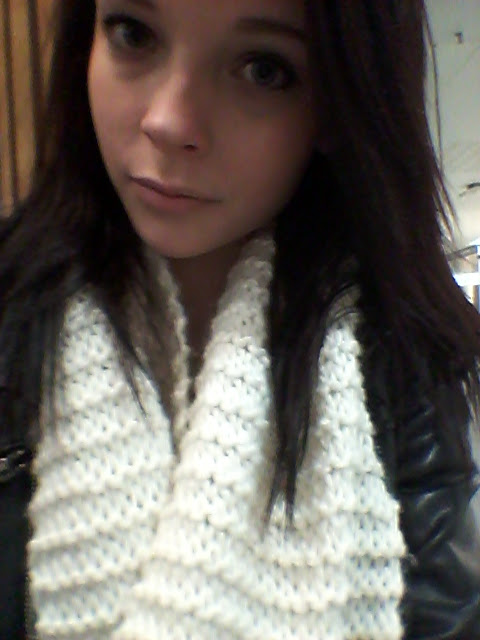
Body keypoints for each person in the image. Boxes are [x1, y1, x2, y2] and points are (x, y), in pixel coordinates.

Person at [1, 0, 479, 638]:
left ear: (337, 107)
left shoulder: (399, 355)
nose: (168, 121)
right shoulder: (14, 310)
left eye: (263, 69)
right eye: (133, 33)